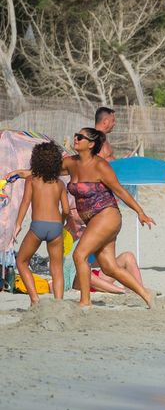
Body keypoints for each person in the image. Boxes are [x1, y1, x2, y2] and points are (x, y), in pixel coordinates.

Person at [12, 128, 156, 308]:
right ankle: (146, 294)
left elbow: (119, 190)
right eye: (75, 135)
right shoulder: (70, 163)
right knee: (109, 267)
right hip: (93, 221)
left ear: (91, 144)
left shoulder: (100, 165)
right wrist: (22, 173)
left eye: (80, 137)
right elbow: (46, 171)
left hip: (106, 215)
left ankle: (85, 302)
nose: (76, 139)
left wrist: (140, 212)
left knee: (80, 254)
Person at [9, 142, 72, 307]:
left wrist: (18, 225)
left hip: (38, 227)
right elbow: (66, 209)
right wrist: (63, 221)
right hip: (56, 227)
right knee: (56, 268)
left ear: (35, 160)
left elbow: (25, 203)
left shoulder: (32, 180)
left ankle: (35, 300)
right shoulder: (60, 184)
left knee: (21, 262)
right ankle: (58, 304)